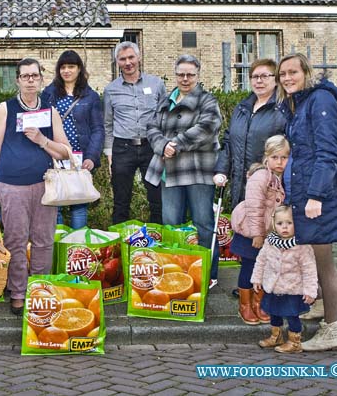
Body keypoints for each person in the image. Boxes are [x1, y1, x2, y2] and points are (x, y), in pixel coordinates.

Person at [276, 52, 337, 351]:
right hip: (307, 190)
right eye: (283, 74)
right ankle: (319, 304)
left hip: (324, 192)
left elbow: (328, 152)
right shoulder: (299, 104)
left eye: (293, 72)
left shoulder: (320, 101)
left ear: (307, 72)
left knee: (324, 261)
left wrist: (316, 195)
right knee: (313, 255)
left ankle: (333, 330)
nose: (287, 78)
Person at [0, 58, 70, 315]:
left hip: (45, 185)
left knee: (43, 240)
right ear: (18, 80)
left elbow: (65, 152)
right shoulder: (6, 110)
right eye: (25, 76)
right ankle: (18, 291)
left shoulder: (50, 112)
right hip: (11, 185)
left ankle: (39, 289)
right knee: (15, 240)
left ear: (41, 79)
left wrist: (43, 140)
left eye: (35, 76)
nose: (30, 80)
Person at [145, 54, 222, 285]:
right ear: (175, 75)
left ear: (198, 76)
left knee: (204, 224)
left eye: (190, 74)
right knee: (171, 226)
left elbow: (207, 128)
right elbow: (151, 127)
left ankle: (208, 274)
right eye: (181, 74)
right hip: (170, 173)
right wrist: (162, 145)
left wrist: (175, 145)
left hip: (198, 173)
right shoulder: (166, 100)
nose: (185, 79)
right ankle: (175, 272)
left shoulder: (208, 100)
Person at [103, 41, 165, 224]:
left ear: (139, 57)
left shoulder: (156, 84)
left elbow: (165, 118)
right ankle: (120, 244)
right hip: (122, 148)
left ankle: (158, 244)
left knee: (157, 198)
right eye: (123, 59)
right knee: (121, 201)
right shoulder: (110, 90)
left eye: (131, 57)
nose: (128, 62)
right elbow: (107, 124)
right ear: (117, 62)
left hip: (151, 148)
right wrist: (109, 154)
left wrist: (164, 146)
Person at [41, 50, 104, 229]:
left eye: (71, 66)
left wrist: (91, 157)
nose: (66, 71)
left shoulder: (90, 96)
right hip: (55, 156)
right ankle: (59, 248)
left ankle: (78, 248)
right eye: (63, 67)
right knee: (56, 205)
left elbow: (98, 129)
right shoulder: (49, 93)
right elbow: (42, 123)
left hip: (79, 158)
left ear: (79, 69)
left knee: (79, 205)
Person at [230, 135, 290, 325]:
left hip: (266, 233)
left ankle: (259, 304)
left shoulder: (279, 178)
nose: (280, 162)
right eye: (275, 157)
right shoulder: (262, 176)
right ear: (267, 157)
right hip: (251, 232)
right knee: (249, 268)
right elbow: (254, 207)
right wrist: (257, 234)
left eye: (284, 157)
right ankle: (245, 306)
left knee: (263, 268)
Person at [213, 58, 286, 206]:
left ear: (276, 80)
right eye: (254, 76)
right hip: (240, 185)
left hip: (268, 186)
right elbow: (228, 141)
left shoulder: (282, 109)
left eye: (265, 76)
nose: (259, 81)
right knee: (242, 224)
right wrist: (221, 170)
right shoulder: (242, 108)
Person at [251, 206, 318, 353]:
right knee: (274, 312)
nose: (285, 227)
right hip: (273, 287)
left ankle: (295, 342)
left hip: (292, 289)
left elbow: (309, 270)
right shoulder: (270, 242)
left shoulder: (302, 245)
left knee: (291, 314)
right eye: (280, 224)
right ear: (274, 225)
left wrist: (310, 291)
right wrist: (257, 278)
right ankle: (277, 336)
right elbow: (261, 260)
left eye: (289, 223)